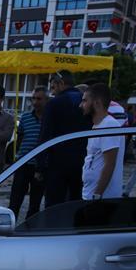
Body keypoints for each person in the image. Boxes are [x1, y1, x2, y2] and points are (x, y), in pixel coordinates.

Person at [37, 70, 92, 207]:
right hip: (82, 161)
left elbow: (45, 135)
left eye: (53, 88)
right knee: (75, 203)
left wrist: (40, 166)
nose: (52, 92)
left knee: (54, 205)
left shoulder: (54, 103)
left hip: (57, 163)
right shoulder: (86, 102)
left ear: (61, 84)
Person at [79, 83, 124, 201]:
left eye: (84, 101)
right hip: (91, 195)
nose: (81, 105)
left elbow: (110, 164)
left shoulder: (110, 125)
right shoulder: (97, 126)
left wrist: (97, 194)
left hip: (102, 199)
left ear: (97, 103)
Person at [8, 86, 46, 219]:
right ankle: (10, 226)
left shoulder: (49, 119)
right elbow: (20, 138)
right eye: (33, 99)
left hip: (40, 165)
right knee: (15, 199)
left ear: (46, 100)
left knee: (35, 202)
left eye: (39, 99)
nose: (35, 102)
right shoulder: (25, 117)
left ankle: (29, 230)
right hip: (23, 163)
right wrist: (18, 157)